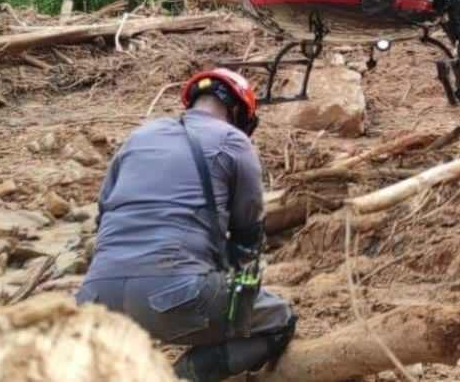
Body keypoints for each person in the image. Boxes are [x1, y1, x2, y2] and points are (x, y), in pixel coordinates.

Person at [77, 68, 297, 382]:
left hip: (95, 298)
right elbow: (248, 230)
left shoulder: (137, 138)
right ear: (237, 112)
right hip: (175, 295)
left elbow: (104, 216)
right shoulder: (233, 141)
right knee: (279, 320)